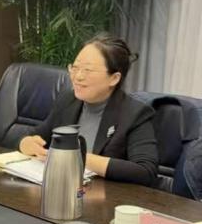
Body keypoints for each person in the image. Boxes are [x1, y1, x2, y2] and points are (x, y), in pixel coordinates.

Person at [18, 33, 159, 186]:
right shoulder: (68, 101)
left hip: (105, 196)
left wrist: (77, 156)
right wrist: (26, 143)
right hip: (62, 187)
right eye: (75, 68)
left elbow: (146, 172)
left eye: (88, 70)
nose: (77, 76)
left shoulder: (135, 113)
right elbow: (35, 135)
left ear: (114, 78)